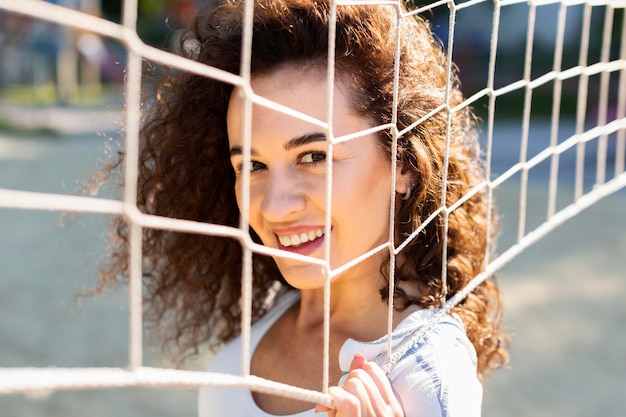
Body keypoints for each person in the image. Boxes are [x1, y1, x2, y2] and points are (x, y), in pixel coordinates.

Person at [99, 0, 509, 416]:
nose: (275, 207)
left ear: (404, 163)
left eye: (314, 157)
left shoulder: (427, 372)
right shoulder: (267, 313)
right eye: (253, 165)